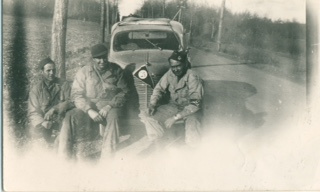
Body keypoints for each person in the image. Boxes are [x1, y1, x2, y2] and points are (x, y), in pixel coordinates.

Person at [57, 43, 128, 159]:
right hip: (88, 106)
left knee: (114, 116)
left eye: (104, 57)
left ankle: (107, 157)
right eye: (98, 58)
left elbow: (124, 92)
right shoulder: (84, 72)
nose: (102, 61)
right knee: (69, 116)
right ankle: (64, 157)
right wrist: (89, 110)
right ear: (93, 58)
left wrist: (109, 106)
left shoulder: (116, 70)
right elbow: (76, 95)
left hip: (108, 106)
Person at [140, 50, 204, 148]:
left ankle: (192, 151)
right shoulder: (170, 73)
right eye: (173, 67)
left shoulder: (192, 76)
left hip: (190, 109)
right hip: (174, 106)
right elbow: (159, 89)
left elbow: (195, 104)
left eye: (178, 66)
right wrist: (152, 104)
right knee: (147, 116)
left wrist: (175, 118)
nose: (175, 70)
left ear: (185, 64)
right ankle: (158, 144)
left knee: (193, 125)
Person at [28, 58, 73, 145]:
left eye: (53, 70)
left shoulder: (64, 84)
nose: (52, 73)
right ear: (42, 72)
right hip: (44, 124)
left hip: (62, 121)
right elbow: (32, 112)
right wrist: (42, 122)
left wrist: (55, 109)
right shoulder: (35, 90)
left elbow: (72, 101)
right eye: (48, 70)